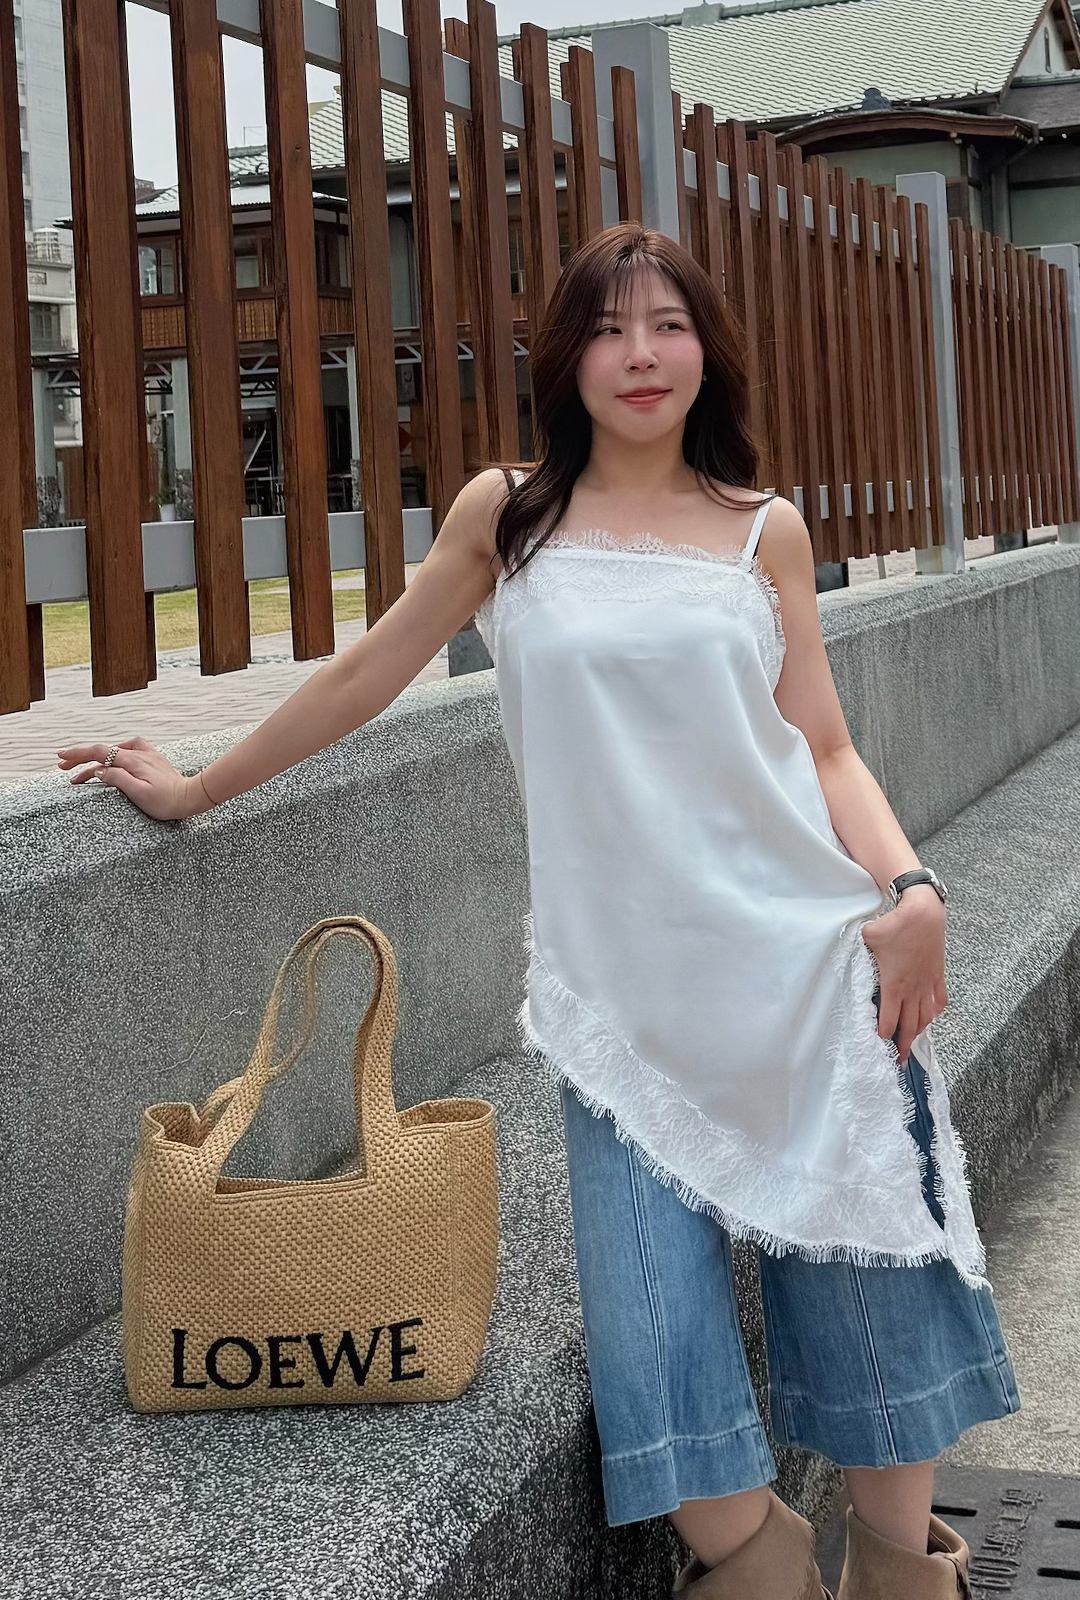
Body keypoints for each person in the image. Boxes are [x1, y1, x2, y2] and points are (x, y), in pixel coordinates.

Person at [58, 222, 1018, 1599]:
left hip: (810, 970)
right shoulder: (507, 520)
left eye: (669, 325)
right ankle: (771, 1577)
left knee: (877, 1312)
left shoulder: (765, 530)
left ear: (707, 349)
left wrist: (913, 890)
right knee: (657, 1352)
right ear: (566, 359)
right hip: (618, 1004)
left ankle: (904, 1577)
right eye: (610, 330)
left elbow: (823, 746)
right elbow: (368, 672)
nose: (643, 355)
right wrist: (199, 784)